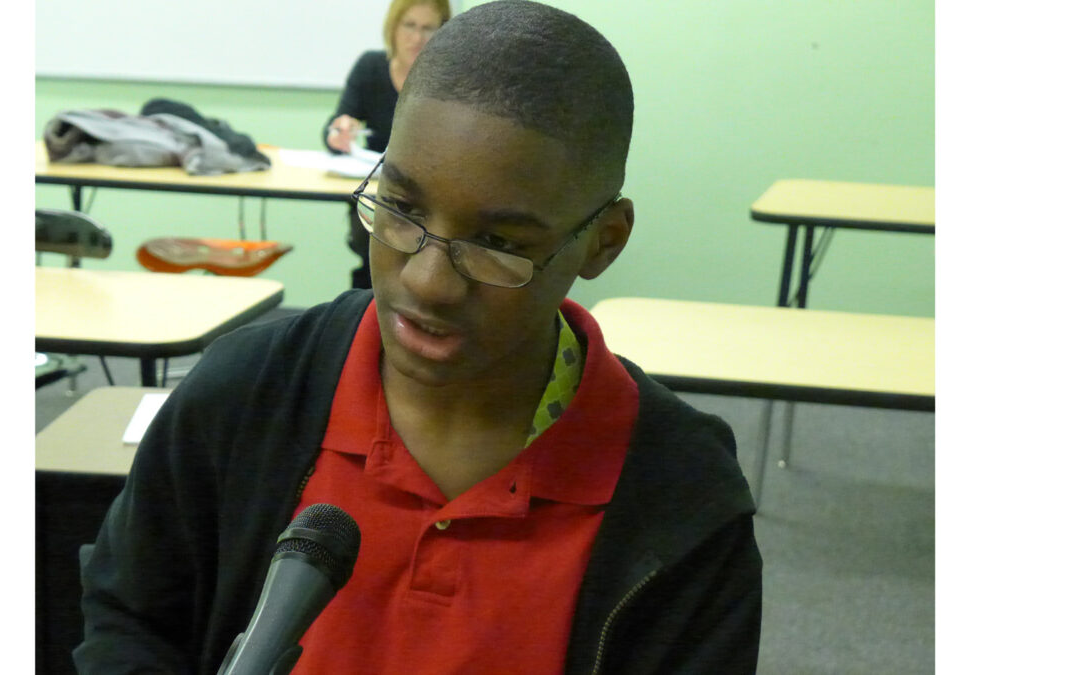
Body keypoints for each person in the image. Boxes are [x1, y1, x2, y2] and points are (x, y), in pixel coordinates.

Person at [75, 2, 762, 673]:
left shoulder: (682, 500)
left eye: (498, 243)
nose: (429, 281)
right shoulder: (245, 395)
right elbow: (130, 619)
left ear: (603, 241)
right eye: (400, 208)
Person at [325, 0, 452, 290]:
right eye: (409, 26)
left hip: (429, 196)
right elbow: (334, 128)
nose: (417, 38)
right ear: (393, 28)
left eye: (427, 28)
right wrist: (340, 131)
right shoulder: (371, 67)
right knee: (372, 235)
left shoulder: (450, 80)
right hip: (376, 192)